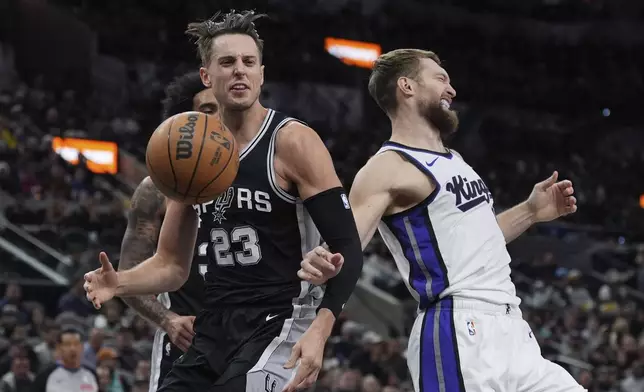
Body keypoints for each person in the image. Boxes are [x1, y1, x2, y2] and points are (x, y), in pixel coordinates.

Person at [83, 10, 363, 392]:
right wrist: (121, 282)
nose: (239, 71)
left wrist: (321, 329)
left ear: (262, 74)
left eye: (249, 62)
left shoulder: (292, 141)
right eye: (227, 63)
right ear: (206, 76)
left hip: (281, 320)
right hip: (215, 321)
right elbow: (171, 264)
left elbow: (348, 244)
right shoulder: (193, 148)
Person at [298, 49, 584, 392]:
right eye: (440, 79)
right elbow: (348, 244)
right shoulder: (387, 166)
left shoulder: (456, 160)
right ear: (407, 87)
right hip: (457, 328)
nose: (451, 90)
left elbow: (479, 238)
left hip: (513, 330)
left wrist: (531, 211)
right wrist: (326, 260)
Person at [116, 70, 218, 392]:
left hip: (250, 337)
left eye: (221, 110)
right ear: (182, 122)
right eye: (207, 111)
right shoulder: (155, 190)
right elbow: (128, 275)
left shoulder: (258, 178)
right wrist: (166, 320)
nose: (216, 120)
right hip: (186, 339)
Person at [31, 327, 98, 392]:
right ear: (59, 348)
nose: (73, 349)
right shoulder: (45, 377)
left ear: (82, 348)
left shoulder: (92, 374)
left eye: (76, 344)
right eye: (67, 344)